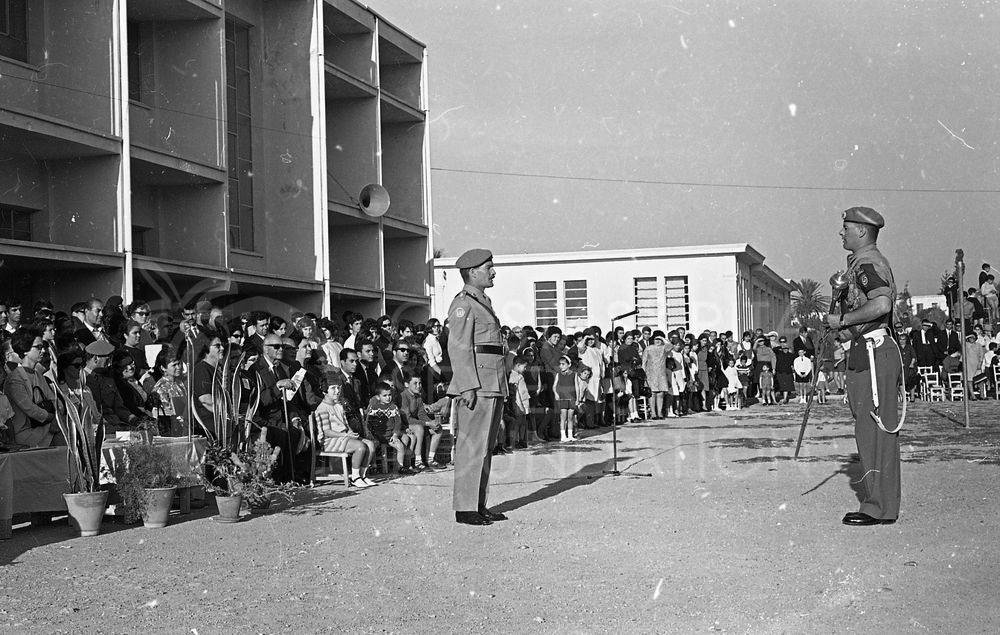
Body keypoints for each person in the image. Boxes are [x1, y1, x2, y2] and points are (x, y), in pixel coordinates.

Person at [825, 206, 901, 526]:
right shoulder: (859, 263)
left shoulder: (869, 262)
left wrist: (842, 319)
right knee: (868, 428)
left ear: (861, 232)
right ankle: (879, 503)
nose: (841, 233)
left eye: (845, 228)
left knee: (875, 430)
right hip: (865, 349)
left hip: (874, 350)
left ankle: (877, 507)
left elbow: (881, 303)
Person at [447, 248, 508, 526]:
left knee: (484, 448)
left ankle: (478, 504)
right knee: (471, 447)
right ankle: (465, 509)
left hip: (492, 382)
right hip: (477, 384)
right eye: (489, 268)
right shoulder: (464, 303)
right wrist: (467, 386)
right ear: (472, 272)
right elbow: (459, 348)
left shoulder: (483, 301)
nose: (493, 272)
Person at [314, 383, 376, 487]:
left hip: (343, 437)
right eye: (333, 388)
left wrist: (350, 432)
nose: (337, 391)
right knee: (360, 447)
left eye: (338, 388)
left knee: (370, 444)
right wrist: (346, 436)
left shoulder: (338, 406)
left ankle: (362, 475)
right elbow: (327, 432)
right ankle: (355, 477)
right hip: (330, 441)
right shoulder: (322, 408)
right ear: (324, 391)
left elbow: (346, 425)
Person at [364, 381, 414, 474]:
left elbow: (398, 423)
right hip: (377, 435)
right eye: (385, 395)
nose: (388, 397)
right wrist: (370, 434)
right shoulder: (374, 407)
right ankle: (373, 466)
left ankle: (400, 466)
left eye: (389, 395)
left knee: (400, 446)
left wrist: (395, 435)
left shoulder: (393, 407)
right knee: (372, 446)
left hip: (390, 436)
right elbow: (368, 422)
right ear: (378, 397)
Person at [553, 355, 578, 441]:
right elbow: (554, 386)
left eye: (563, 364)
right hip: (563, 398)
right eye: (560, 364)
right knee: (563, 417)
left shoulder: (574, 374)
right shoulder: (558, 374)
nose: (561, 366)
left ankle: (570, 435)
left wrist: (577, 398)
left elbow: (577, 387)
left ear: (569, 365)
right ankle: (563, 436)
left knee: (570, 417)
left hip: (572, 398)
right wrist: (556, 393)